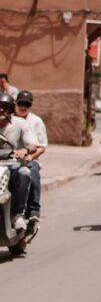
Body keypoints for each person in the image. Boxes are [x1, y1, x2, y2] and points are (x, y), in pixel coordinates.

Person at [0, 92, 39, 233]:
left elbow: (33, 144)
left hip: (12, 165)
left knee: (25, 172)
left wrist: (25, 150)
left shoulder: (20, 124)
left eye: (4, 107)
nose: (1, 110)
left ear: (11, 109)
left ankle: (17, 214)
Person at [14, 90, 47, 235]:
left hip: (29, 158)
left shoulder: (36, 121)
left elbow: (41, 147)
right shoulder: (8, 118)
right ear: (15, 103)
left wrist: (30, 157)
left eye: (27, 104)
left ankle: (33, 209)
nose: (23, 106)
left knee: (31, 172)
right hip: (8, 159)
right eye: (21, 103)